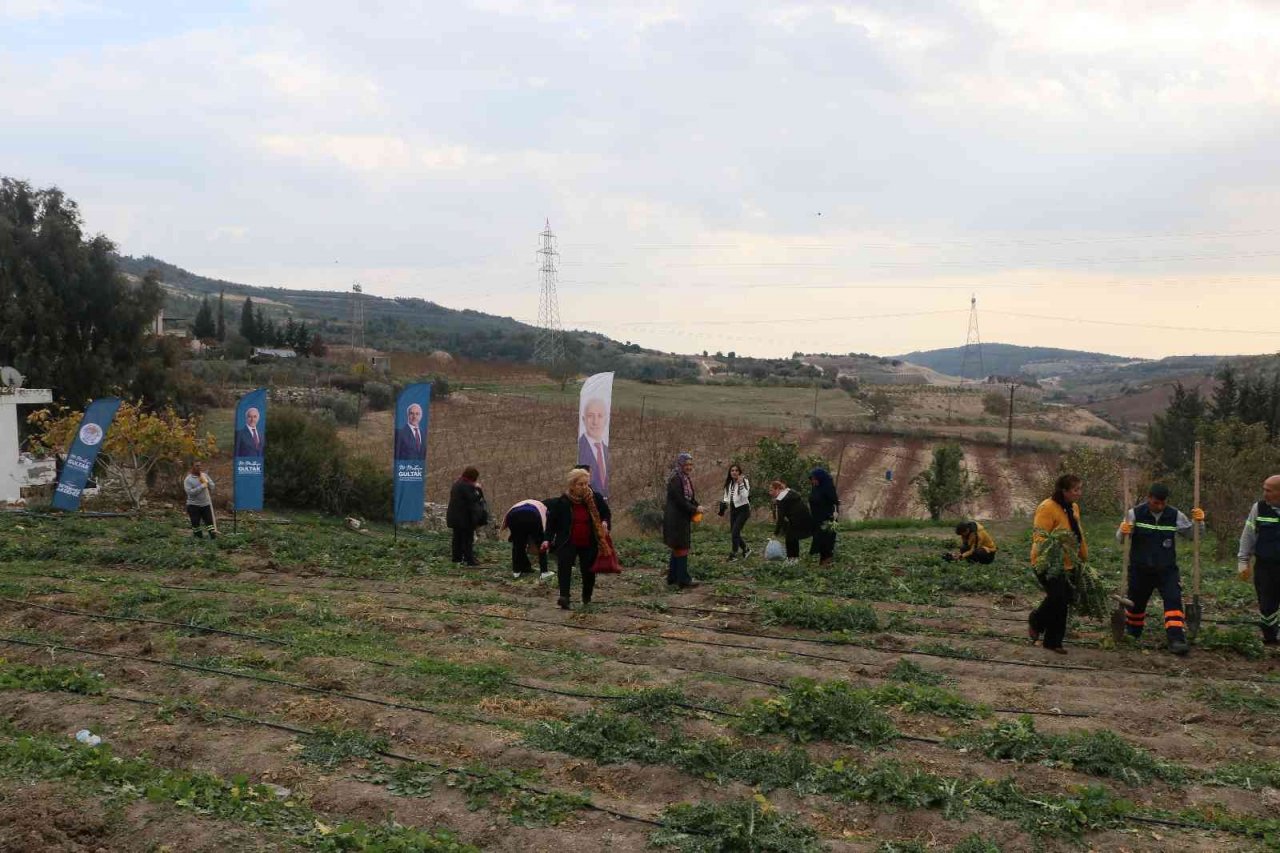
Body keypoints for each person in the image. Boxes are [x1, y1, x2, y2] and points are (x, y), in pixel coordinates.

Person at [1116, 483, 1204, 656]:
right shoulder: (1135, 514)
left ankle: (1176, 638)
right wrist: (1122, 531)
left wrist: (1199, 523)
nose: (1160, 506)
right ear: (1149, 498)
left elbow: (1194, 536)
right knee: (1136, 604)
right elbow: (1121, 539)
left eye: (1163, 503)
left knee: (1173, 600)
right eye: (1156, 502)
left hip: (1166, 569)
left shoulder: (1175, 515)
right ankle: (1133, 633)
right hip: (1140, 569)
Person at [1029, 474, 1087, 655]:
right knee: (1059, 598)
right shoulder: (1047, 507)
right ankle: (1051, 639)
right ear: (1064, 491)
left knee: (1063, 598)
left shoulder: (1073, 507)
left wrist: (1082, 555)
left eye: (1080, 488)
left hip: (1068, 563)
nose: (1079, 493)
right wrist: (1056, 544)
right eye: (1076, 489)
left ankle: (1042, 627)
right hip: (1047, 561)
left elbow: (1078, 533)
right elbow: (1040, 536)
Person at [544, 468, 612, 609]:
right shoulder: (562, 502)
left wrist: (605, 522)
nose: (584, 487)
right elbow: (551, 522)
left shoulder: (595, 498)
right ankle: (564, 597)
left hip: (589, 541)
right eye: (580, 484)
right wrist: (547, 539)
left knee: (588, 571)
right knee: (564, 568)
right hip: (568, 541)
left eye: (586, 484)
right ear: (572, 486)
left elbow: (606, 513)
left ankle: (586, 596)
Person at [1236, 474, 1280, 646]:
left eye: (1268, 490)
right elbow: (1248, 535)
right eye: (1264, 489)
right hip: (1265, 566)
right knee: (1266, 604)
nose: (1264, 494)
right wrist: (1242, 561)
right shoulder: (1259, 508)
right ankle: (1270, 638)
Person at [663, 452, 703, 589]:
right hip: (675, 520)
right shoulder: (676, 479)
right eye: (686, 464)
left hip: (682, 518)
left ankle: (672, 577)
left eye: (691, 464)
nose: (689, 467)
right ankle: (683, 579)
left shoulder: (685, 479)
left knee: (678, 547)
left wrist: (697, 506)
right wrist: (695, 509)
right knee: (681, 547)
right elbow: (680, 501)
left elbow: (690, 499)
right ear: (680, 464)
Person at [446, 467, 487, 566]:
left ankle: (457, 559)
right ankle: (469, 560)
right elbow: (473, 499)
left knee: (457, 539)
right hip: (464, 518)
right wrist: (479, 489)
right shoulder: (467, 486)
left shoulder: (457, 484)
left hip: (454, 517)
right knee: (467, 539)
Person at [503, 499, 553, 580]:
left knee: (517, 544)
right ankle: (544, 572)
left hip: (512, 516)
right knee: (540, 544)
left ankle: (516, 571)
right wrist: (544, 538)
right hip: (532, 516)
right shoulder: (543, 507)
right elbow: (544, 523)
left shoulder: (523, 503)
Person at [770, 479, 813, 562]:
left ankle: (792, 559)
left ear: (778, 489)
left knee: (790, 537)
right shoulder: (789, 492)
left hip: (798, 518)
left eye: (771, 490)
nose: (770, 493)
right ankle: (794, 558)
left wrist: (776, 533)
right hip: (805, 515)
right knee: (793, 537)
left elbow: (781, 518)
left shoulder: (781, 499)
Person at [577, 397, 610, 497]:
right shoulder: (578, 448)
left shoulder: (606, 450)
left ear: (606, 420)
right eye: (590, 416)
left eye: (600, 416)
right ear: (583, 419)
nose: (595, 422)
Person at [808, 468, 840, 566]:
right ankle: (823, 560)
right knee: (819, 540)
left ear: (820, 478)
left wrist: (834, 516)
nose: (813, 481)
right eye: (812, 479)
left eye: (815, 479)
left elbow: (835, 502)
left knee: (827, 540)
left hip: (828, 519)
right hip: (817, 519)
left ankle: (827, 561)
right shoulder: (815, 487)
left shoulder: (828, 488)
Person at [720, 464, 752, 560]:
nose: (734, 472)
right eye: (732, 470)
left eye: (736, 470)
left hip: (743, 509)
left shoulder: (744, 481)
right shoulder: (729, 483)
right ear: (730, 473)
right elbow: (727, 496)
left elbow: (745, 496)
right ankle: (746, 549)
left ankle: (733, 554)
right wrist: (724, 504)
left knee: (735, 532)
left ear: (739, 472)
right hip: (733, 509)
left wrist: (741, 483)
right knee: (734, 532)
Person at [183, 462, 217, 539]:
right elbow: (190, 492)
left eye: (200, 466)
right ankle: (198, 539)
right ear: (192, 467)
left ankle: (213, 537)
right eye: (197, 466)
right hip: (193, 505)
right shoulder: (188, 479)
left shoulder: (204, 475)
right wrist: (202, 486)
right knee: (195, 523)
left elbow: (212, 487)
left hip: (205, 504)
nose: (199, 467)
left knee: (209, 523)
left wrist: (207, 483)